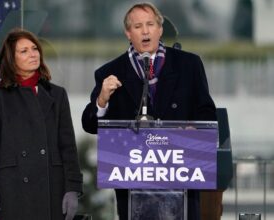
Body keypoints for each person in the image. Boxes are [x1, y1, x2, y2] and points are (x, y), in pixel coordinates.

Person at [81, 2, 218, 220]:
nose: (145, 31)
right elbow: (89, 124)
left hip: (179, 175)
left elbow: (207, 113)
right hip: (135, 186)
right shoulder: (109, 72)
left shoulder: (189, 65)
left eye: (150, 24)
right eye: (137, 26)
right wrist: (102, 99)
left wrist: (195, 130)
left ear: (160, 29)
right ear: (128, 33)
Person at [0, 28, 83, 220]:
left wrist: (73, 188)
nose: (33, 54)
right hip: (12, 189)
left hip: (53, 188)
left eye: (34, 48)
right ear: (11, 58)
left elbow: (68, 147)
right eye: (24, 51)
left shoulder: (57, 94)